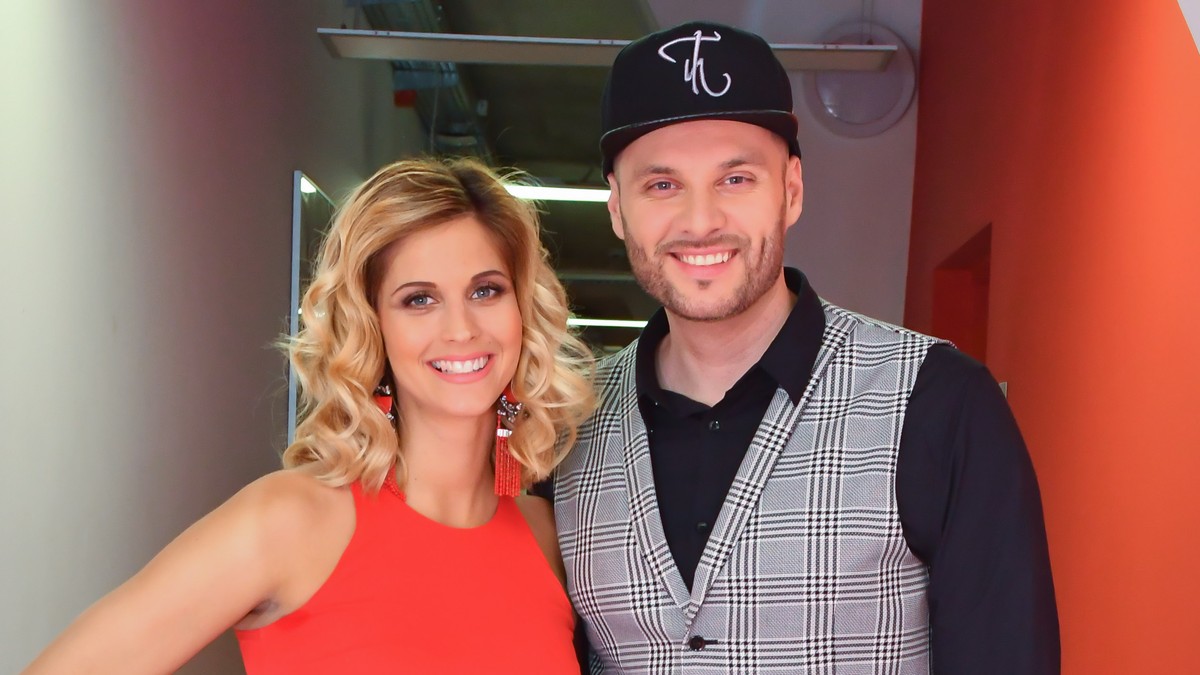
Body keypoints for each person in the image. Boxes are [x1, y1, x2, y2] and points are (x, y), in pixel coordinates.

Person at [538, 21, 1060, 673]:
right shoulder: (563, 426)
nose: (701, 221)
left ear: (791, 190)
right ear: (617, 207)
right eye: (662, 185)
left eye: (736, 179)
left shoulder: (942, 403)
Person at [24, 157, 595, 674]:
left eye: (486, 291)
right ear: (372, 326)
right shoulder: (289, 520)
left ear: (522, 308)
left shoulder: (550, 539)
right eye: (418, 299)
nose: (461, 329)